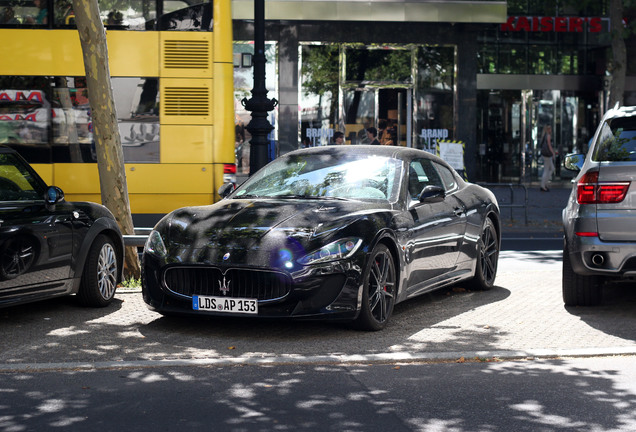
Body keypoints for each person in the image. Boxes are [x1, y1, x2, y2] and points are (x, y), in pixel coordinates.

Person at [539, 125, 555, 192]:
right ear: (548, 129)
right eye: (550, 129)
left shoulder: (544, 135)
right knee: (547, 169)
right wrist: (553, 153)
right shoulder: (548, 136)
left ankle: (544, 183)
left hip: (545, 154)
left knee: (551, 169)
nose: (551, 130)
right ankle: (543, 185)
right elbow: (549, 145)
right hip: (547, 155)